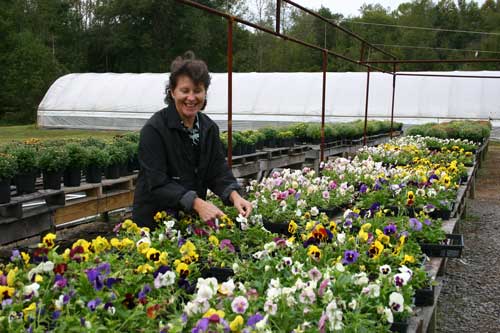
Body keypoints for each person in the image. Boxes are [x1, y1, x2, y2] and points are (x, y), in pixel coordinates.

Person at [132, 51, 252, 228]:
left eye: (198, 91)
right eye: (184, 91)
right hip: (154, 222)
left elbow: (216, 169)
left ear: (205, 93)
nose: (191, 98)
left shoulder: (208, 128)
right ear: (172, 92)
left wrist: (234, 195)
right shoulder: (155, 130)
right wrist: (197, 203)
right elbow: (157, 183)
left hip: (188, 219)